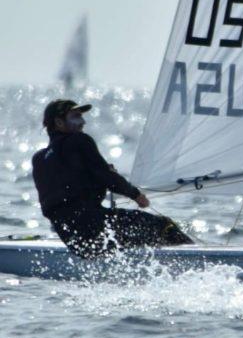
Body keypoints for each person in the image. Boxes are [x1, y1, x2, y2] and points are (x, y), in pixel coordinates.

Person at [32, 99, 192, 258]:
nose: (82, 122)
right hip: (96, 228)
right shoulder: (80, 140)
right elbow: (106, 177)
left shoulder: (39, 159)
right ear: (59, 122)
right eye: (75, 116)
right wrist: (136, 195)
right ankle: (197, 258)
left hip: (72, 239)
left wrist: (96, 178)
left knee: (128, 231)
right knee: (164, 226)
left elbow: (67, 191)